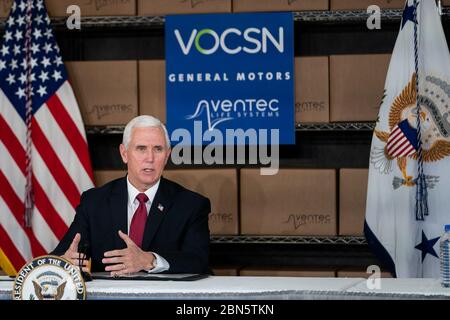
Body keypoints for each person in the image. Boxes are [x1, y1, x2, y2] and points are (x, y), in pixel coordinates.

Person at [51, 115, 211, 275]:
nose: (150, 158)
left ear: (167, 155)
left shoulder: (191, 205)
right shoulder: (94, 202)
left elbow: (199, 261)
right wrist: (65, 262)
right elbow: (59, 255)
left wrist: (150, 260)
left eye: (158, 149)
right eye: (141, 148)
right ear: (124, 153)